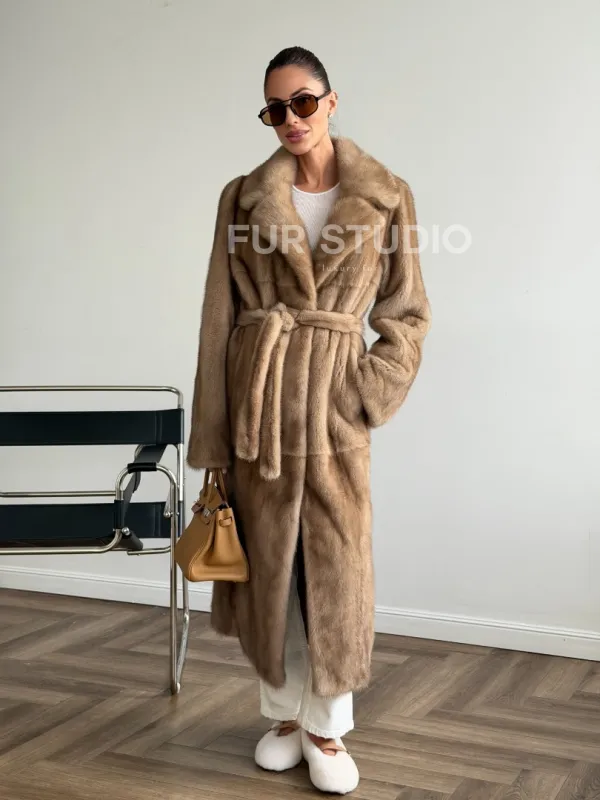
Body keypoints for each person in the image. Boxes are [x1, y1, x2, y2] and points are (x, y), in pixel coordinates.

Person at [187, 46, 431, 794]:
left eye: (301, 102)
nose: (290, 119)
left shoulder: (387, 195)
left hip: (332, 405)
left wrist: (364, 391)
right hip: (259, 403)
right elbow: (219, 316)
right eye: (275, 109)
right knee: (271, 566)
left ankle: (327, 724)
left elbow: (407, 312)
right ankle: (283, 717)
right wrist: (216, 434)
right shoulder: (242, 198)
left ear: (330, 101)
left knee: (334, 565)